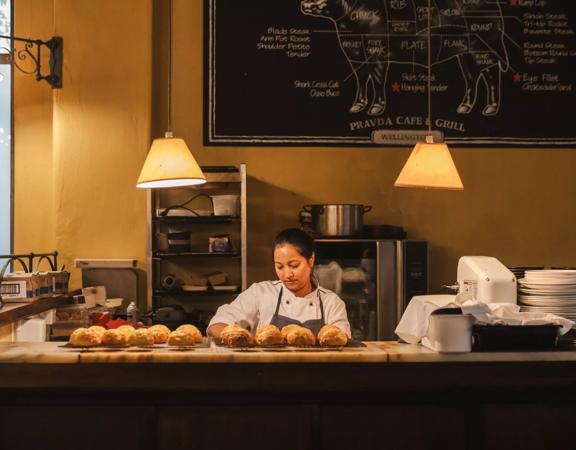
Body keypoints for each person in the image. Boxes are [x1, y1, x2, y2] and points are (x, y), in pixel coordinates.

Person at [207, 228, 351, 338]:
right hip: (267, 375)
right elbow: (216, 325)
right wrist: (240, 337)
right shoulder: (261, 293)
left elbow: (343, 342)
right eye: (280, 266)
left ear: (311, 259)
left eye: (294, 265)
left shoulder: (331, 303)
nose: (287, 274)